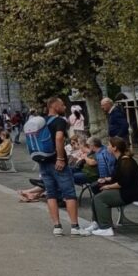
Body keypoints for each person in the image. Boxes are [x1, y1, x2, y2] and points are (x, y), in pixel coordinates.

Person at [37, 97, 85, 236]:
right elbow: (59, 138)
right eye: (62, 105)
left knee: (51, 194)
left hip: (43, 161)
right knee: (69, 193)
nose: (64, 107)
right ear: (55, 106)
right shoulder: (59, 121)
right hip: (57, 162)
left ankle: (57, 226)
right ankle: (75, 227)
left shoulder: (41, 121)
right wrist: (60, 158)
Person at [85, 137, 138, 236]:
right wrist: (107, 180)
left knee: (100, 198)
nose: (107, 147)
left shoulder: (126, 161)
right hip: (125, 190)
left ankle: (106, 228)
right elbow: (117, 177)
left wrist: (108, 187)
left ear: (115, 148)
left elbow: (123, 182)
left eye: (109, 145)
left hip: (131, 193)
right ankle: (97, 223)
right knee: (97, 196)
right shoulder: (120, 159)